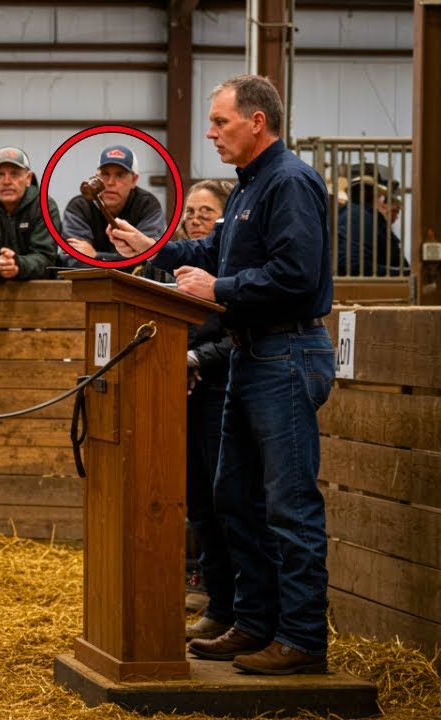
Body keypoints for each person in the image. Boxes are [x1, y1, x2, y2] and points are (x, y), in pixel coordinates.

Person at [109, 74, 335, 675]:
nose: (210, 133)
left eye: (220, 122)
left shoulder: (288, 182)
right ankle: (256, 623)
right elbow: (212, 255)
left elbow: (295, 274)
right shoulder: (248, 188)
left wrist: (221, 290)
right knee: (234, 496)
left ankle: (304, 638)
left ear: (256, 121)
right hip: (251, 354)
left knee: (287, 505)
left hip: (285, 354)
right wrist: (150, 244)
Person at [137, 178, 238, 637]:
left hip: (221, 392)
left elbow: (233, 337)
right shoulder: (172, 267)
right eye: (191, 211)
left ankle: (244, 608)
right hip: (180, 393)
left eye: (207, 212)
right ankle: (219, 604)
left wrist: (194, 358)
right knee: (198, 502)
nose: (196, 218)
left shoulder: (229, 268)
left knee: (226, 503)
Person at [59, 144, 165, 268]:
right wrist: (124, 260)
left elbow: (148, 258)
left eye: (120, 175)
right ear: (96, 177)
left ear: (134, 180)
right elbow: (73, 260)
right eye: (105, 174)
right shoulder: (79, 207)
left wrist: (96, 257)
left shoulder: (148, 206)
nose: (110, 182)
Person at [0, 146, 59, 281]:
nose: (7, 181)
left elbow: (46, 258)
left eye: (14, 174)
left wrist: (18, 264)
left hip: (38, 289)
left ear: (28, 178)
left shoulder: (45, 206)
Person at [336, 163, 408, 277]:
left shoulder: (361, 215)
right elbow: (355, 265)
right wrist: (405, 273)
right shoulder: (359, 216)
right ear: (378, 194)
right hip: (364, 291)